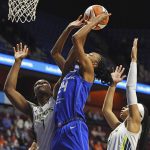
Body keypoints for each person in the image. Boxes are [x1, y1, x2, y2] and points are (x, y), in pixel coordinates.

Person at [3, 16, 84, 150]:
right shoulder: (32, 109)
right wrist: (17, 62)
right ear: (34, 95)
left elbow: (67, 67)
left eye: (44, 82)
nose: (40, 83)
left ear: (52, 89)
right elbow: (9, 90)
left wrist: (70, 29)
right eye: (36, 84)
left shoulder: (57, 98)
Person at [51, 13, 112, 150]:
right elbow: (55, 53)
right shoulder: (69, 72)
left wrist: (94, 21)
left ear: (94, 65)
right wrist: (68, 28)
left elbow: (77, 38)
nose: (86, 54)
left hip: (74, 125)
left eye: (90, 55)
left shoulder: (88, 73)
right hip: (58, 129)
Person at [102, 38, 149, 150]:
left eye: (131, 107)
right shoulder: (120, 127)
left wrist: (134, 60)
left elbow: (130, 88)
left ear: (138, 116)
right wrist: (112, 85)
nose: (127, 106)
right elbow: (106, 110)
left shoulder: (134, 126)